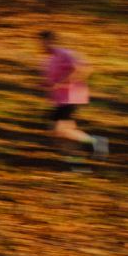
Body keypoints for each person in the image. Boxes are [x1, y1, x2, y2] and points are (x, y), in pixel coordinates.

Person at [39, 30, 108, 163]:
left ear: (51, 41)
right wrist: (45, 86)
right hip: (60, 101)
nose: (42, 46)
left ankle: (94, 144)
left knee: (59, 131)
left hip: (72, 97)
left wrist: (63, 82)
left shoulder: (65, 54)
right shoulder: (48, 60)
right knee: (63, 133)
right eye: (40, 43)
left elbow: (84, 69)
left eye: (44, 42)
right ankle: (77, 162)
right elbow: (51, 82)